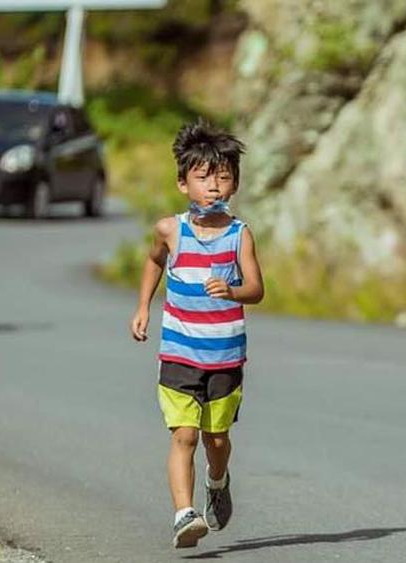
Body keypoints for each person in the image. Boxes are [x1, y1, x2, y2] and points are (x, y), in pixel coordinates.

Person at [130, 120, 265, 548]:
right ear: (182, 183)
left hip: (225, 356)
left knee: (217, 439)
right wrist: (143, 307)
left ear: (235, 185)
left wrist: (233, 289)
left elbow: (257, 289)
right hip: (179, 351)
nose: (214, 187)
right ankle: (184, 515)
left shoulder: (239, 234)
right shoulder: (171, 231)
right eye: (204, 178)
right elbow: (154, 262)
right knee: (184, 435)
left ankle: (218, 479)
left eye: (224, 178)